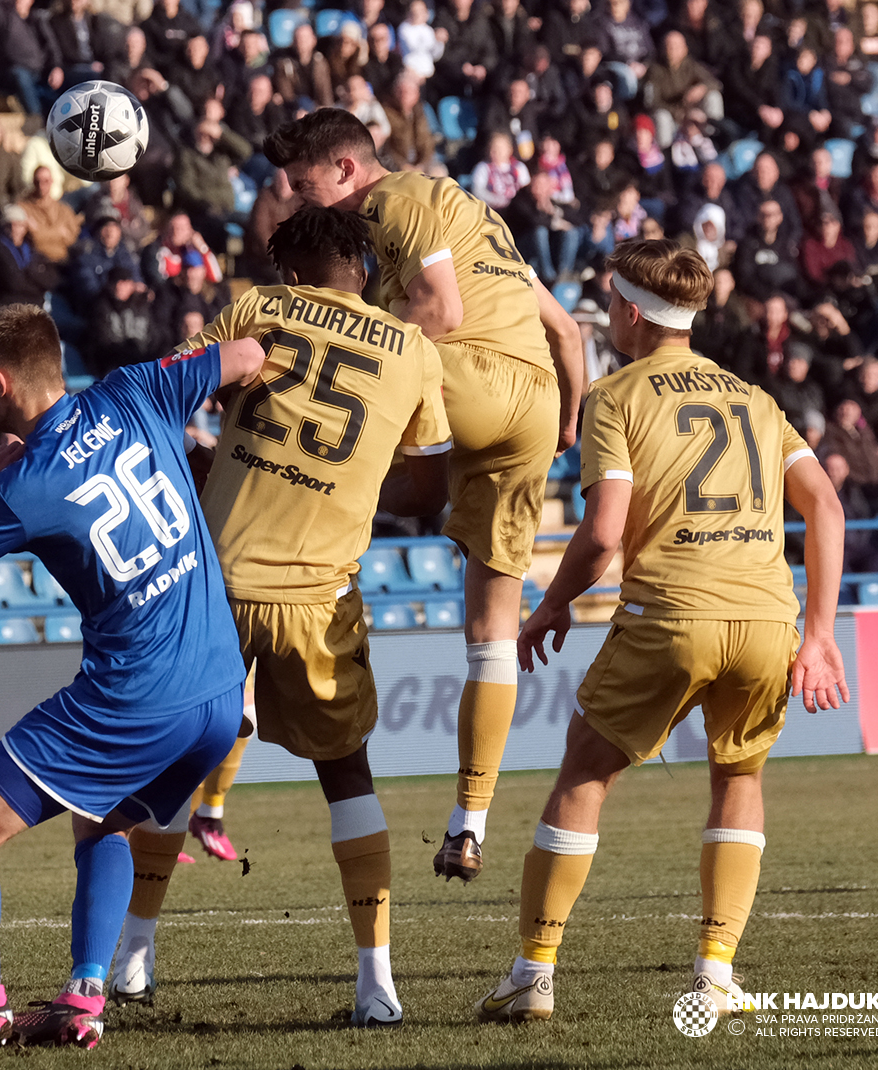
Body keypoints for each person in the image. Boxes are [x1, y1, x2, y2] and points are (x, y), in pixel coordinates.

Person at [472, 239, 848, 1022]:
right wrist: (818, 635)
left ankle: (532, 974)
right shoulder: (754, 397)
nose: (608, 313)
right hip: (766, 618)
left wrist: (553, 602)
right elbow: (827, 507)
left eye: (610, 302)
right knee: (737, 779)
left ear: (631, 314)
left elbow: (605, 532)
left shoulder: (616, 397)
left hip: (673, 611)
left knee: (585, 774)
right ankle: (716, 972)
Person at [0, 304, 266, 1063]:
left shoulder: (20, 484)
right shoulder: (134, 391)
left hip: (136, 695)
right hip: (220, 690)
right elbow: (250, 353)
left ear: (0, 383)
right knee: (106, 823)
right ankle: (84, 998)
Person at [109, 207, 452, 1024]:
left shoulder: (259, 306)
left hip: (215, 587)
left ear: (290, 272)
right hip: (319, 596)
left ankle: (131, 962)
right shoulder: (414, 350)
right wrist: (351, 485)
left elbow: (167, 396)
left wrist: (209, 456)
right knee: (346, 773)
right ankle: (378, 988)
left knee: (169, 768)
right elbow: (431, 488)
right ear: (362, 269)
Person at [266, 108, 585, 882]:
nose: (304, 205)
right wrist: (566, 423)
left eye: (307, 188)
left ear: (347, 168)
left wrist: (340, 334)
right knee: (489, 630)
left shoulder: (392, 202)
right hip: (536, 403)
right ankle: (469, 821)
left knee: (315, 409)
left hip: (467, 376)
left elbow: (439, 312)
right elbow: (569, 331)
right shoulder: (479, 218)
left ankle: (284, 561)